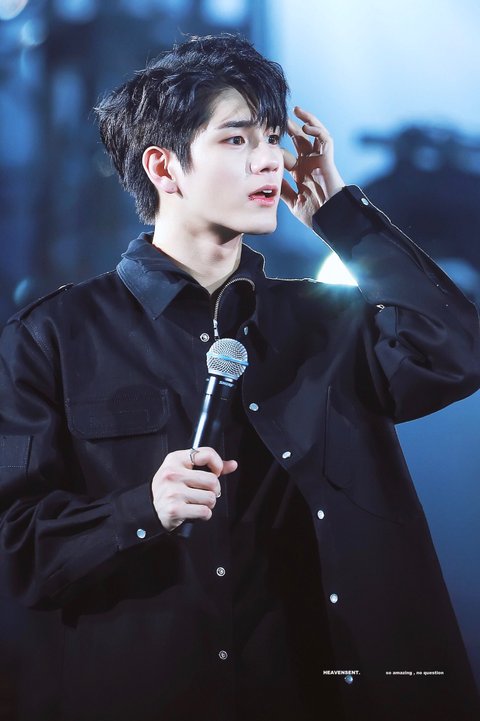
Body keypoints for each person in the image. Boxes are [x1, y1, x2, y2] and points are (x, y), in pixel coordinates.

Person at [0, 33, 479, 721]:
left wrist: (340, 214)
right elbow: (15, 550)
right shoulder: (53, 336)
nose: (270, 159)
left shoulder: (327, 321)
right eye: (236, 139)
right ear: (164, 166)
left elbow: (456, 351)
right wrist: (141, 509)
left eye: (273, 138)